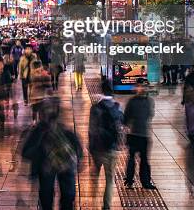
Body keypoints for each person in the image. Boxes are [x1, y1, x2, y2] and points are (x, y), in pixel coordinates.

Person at [22, 97, 82, 210]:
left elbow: (26, 152)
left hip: (49, 169)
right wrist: (78, 160)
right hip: (61, 169)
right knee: (62, 196)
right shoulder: (64, 130)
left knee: (48, 196)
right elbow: (77, 147)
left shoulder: (38, 132)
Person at [88, 79, 123, 210]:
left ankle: (93, 203)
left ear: (101, 90)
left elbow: (91, 129)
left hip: (97, 149)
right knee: (110, 179)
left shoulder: (95, 107)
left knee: (95, 175)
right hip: (112, 149)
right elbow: (122, 123)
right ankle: (106, 206)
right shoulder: (117, 106)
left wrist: (91, 147)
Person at [123, 79, 156, 189]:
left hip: (143, 134)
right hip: (135, 134)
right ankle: (131, 180)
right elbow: (127, 117)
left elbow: (150, 115)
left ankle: (143, 182)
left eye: (144, 86)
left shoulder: (147, 101)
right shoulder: (134, 101)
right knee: (133, 159)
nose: (142, 88)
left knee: (144, 160)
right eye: (140, 86)